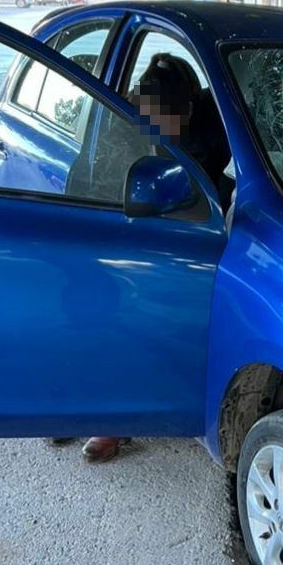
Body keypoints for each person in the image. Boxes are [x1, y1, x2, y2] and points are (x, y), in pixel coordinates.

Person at [61, 53, 230, 463]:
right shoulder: (119, 130)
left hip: (184, 229)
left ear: (191, 107)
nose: (166, 130)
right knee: (99, 316)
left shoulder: (212, 127)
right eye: (156, 118)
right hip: (116, 224)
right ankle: (96, 415)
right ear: (141, 106)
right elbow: (97, 193)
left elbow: (218, 184)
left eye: (174, 120)